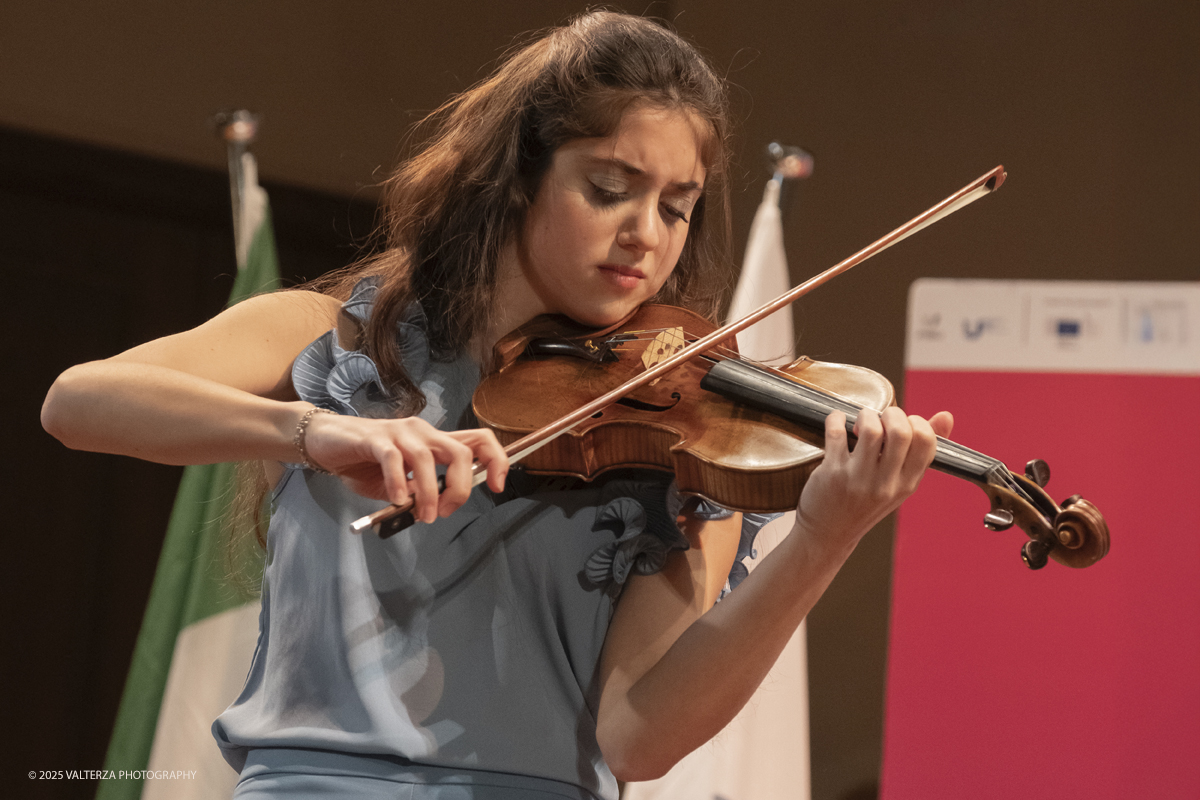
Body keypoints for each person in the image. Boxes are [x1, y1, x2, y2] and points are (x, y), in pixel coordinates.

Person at [41, 11, 952, 800]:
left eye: (677, 207)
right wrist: (313, 432)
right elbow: (79, 402)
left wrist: (823, 541)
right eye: (608, 189)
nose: (644, 233)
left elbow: (638, 736)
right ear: (518, 177)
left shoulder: (686, 441)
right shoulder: (339, 338)